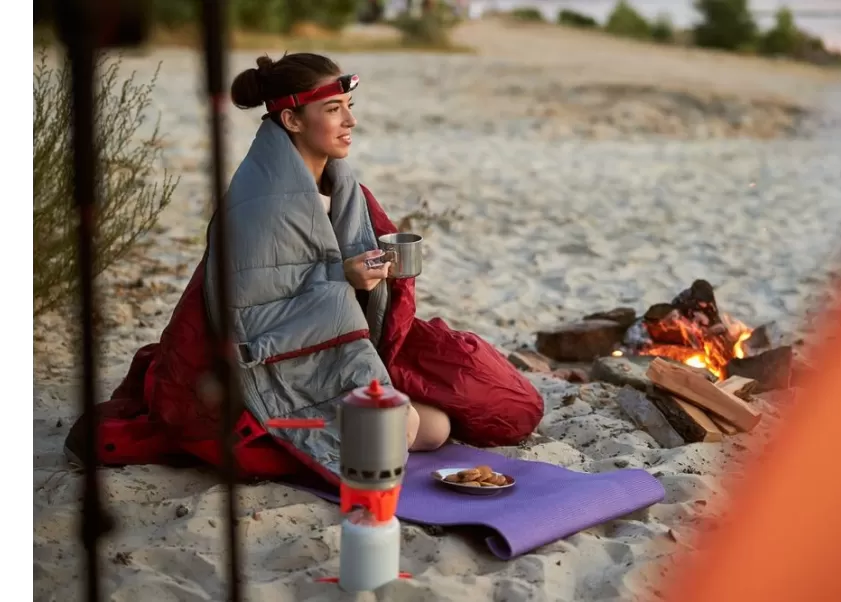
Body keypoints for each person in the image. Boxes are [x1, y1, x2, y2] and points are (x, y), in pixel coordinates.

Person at [65, 53, 544, 487]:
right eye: (333, 109)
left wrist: (376, 276)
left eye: (349, 104)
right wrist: (344, 281)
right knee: (410, 429)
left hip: (340, 349)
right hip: (280, 371)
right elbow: (254, 323)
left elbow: (343, 278)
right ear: (291, 119)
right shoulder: (260, 205)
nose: (350, 120)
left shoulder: (343, 185)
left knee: (445, 421)